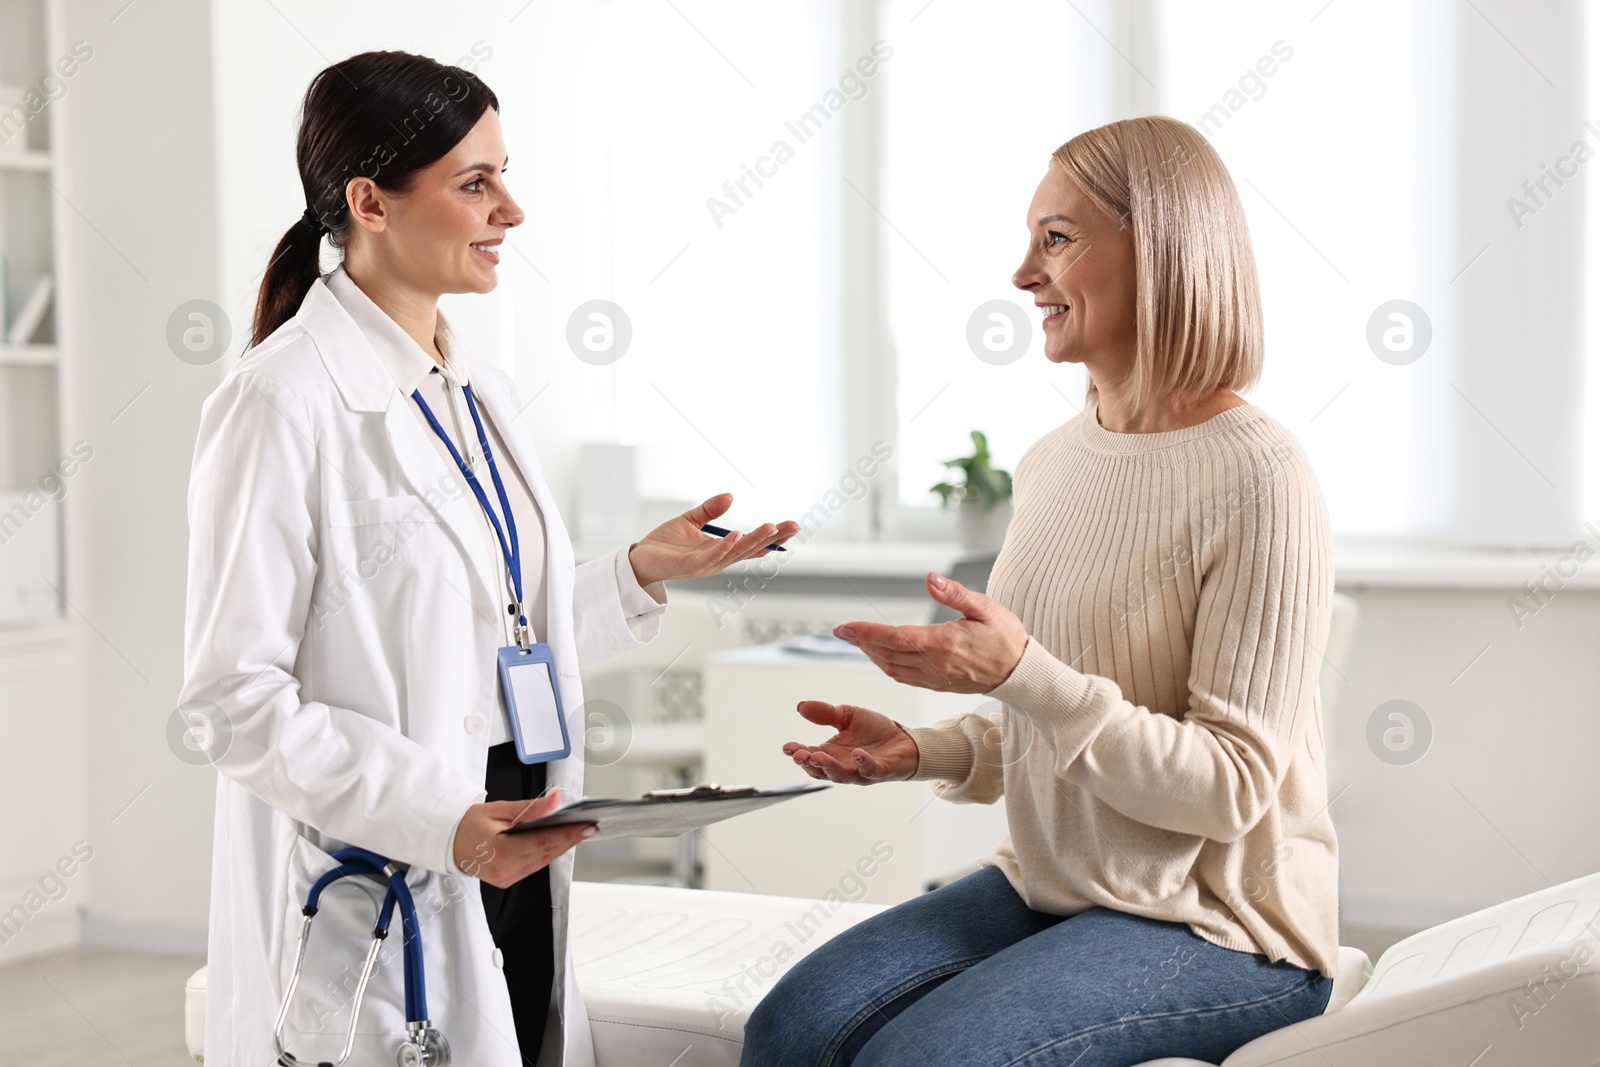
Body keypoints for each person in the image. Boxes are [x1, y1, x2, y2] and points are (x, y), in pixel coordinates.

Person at [181, 50, 798, 1067]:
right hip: (401, 852)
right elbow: (232, 700)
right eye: (475, 183)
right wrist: (442, 820)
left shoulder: (477, 390)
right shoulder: (281, 400)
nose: (510, 210)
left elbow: (488, 637)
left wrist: (633, 573)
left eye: (503, 175)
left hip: (518, 829)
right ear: (370, 202)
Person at [744, 116, 1337, 1066]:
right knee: (789, 1029)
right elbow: (1066, 724)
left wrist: (1022, 670)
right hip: (1055, 886)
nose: (1023, 275)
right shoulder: (1056, 461)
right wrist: (923, 751)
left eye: (1056, 240)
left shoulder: (1259, 475)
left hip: (1224, 924)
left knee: (923, 1061)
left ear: (1164, 249)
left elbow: (1227, 786)